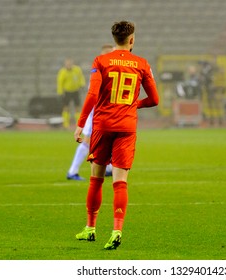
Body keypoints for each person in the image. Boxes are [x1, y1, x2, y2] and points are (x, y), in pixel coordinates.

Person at [74, 21, 159, 250]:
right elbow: (154, 100)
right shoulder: (141, 64)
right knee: (120, 183)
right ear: (131, 39)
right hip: (126, 127)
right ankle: (117, 231)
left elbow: (92, 94)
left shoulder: (101, 61)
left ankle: (90, 229)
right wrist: (133, 104)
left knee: (96, 179)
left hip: (103, 125)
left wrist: (81, 124)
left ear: (114, 39)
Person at [66, 44, 115, 181]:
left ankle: (108, 168)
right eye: (107, 53)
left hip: (105, 113)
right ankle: (72, 171)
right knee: (87, 141)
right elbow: (94, 95)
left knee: (107, 140)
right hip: (96, 114)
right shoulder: (99, 69)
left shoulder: (109, 69)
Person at [57, 58, 86, 128]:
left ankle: (78, 123)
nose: (69, 65)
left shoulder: (77, 69)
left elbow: (81, 77)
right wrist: (60, 92)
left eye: (70, 63)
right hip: (67, 92)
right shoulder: (62, 72)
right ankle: (66, 124)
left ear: (72, 64)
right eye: (67, 64)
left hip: (76, 90)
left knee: (77, 107)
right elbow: (60, 82)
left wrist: (82, 84)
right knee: (66, 108)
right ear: (65, 64)